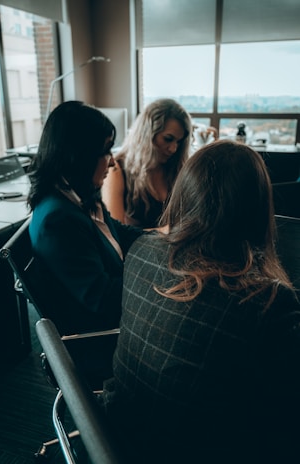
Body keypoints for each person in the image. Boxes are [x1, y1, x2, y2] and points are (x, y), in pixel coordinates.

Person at [102, 140, 300, 463]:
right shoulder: (268, 301)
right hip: (188, 450)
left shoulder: (141, 251)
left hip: (118, 431)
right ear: (257, 207)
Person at [27, 101, 143, 337]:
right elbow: (102, 300)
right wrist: (157, 281)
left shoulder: (77, 195)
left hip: (116, 315)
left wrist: (164, 237)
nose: (112, 161)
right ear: (80, 155)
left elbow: (116, 232)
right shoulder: (57, 220)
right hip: (101, 336)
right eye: (106, 151)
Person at [101, 98, 193, 228]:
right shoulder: (117, 170)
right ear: (147, 134)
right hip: (136, 248)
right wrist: (166, 232)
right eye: (168, 139)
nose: (173, 149)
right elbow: (116, 232)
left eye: (179, 142)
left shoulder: (177, 168)